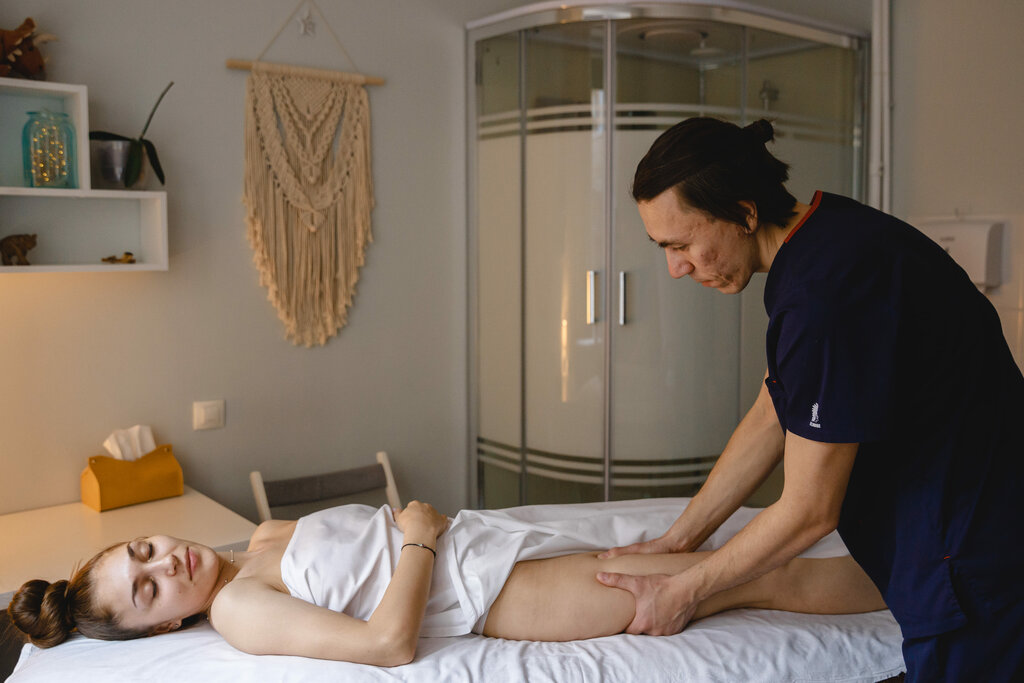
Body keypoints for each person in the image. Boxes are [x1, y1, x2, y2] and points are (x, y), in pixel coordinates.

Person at [594, 117, 1024, 682]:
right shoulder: (827, 233)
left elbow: (809, 512)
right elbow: (771, 412)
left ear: (745, 213)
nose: (676, 268)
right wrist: (680, 539)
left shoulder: (824, 296)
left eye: (683, 244)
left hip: (974, 555)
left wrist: (683, 591)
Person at [7, 498, 885, 666]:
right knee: (767, 578)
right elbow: (387, 643)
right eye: (150, 589)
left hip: (498, 540)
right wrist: (419, 538)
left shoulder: (258, 539)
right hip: (504, 594)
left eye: (144, 550)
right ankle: (936, 590)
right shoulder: (238, 610)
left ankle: (922, 577)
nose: (166, 562)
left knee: (736, 555)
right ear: (164, 627)